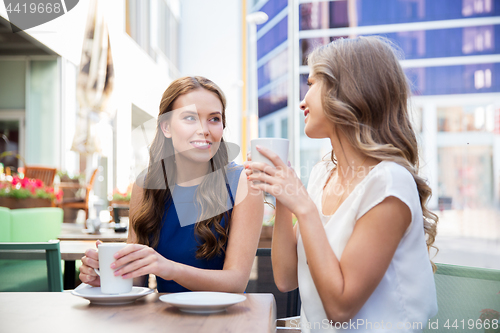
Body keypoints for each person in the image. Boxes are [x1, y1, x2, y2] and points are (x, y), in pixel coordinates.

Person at [246, 36, 438, 332]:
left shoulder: (389, 184)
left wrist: (303, 206)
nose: (302, 100)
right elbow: (285, 278)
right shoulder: (322, 175)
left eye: (311, 84)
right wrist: (284, 199)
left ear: (345, 91)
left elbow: (340, 308)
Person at [79, 76, 264, 293]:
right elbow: (136, 280)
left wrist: (169, 268)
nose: (204, 129)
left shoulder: (244, 183)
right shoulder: (146, 185)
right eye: (190, 118)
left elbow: (235, 282)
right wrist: (107, 276)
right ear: (166, 127)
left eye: (214, 119)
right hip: (163, 320)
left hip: (222, 321)